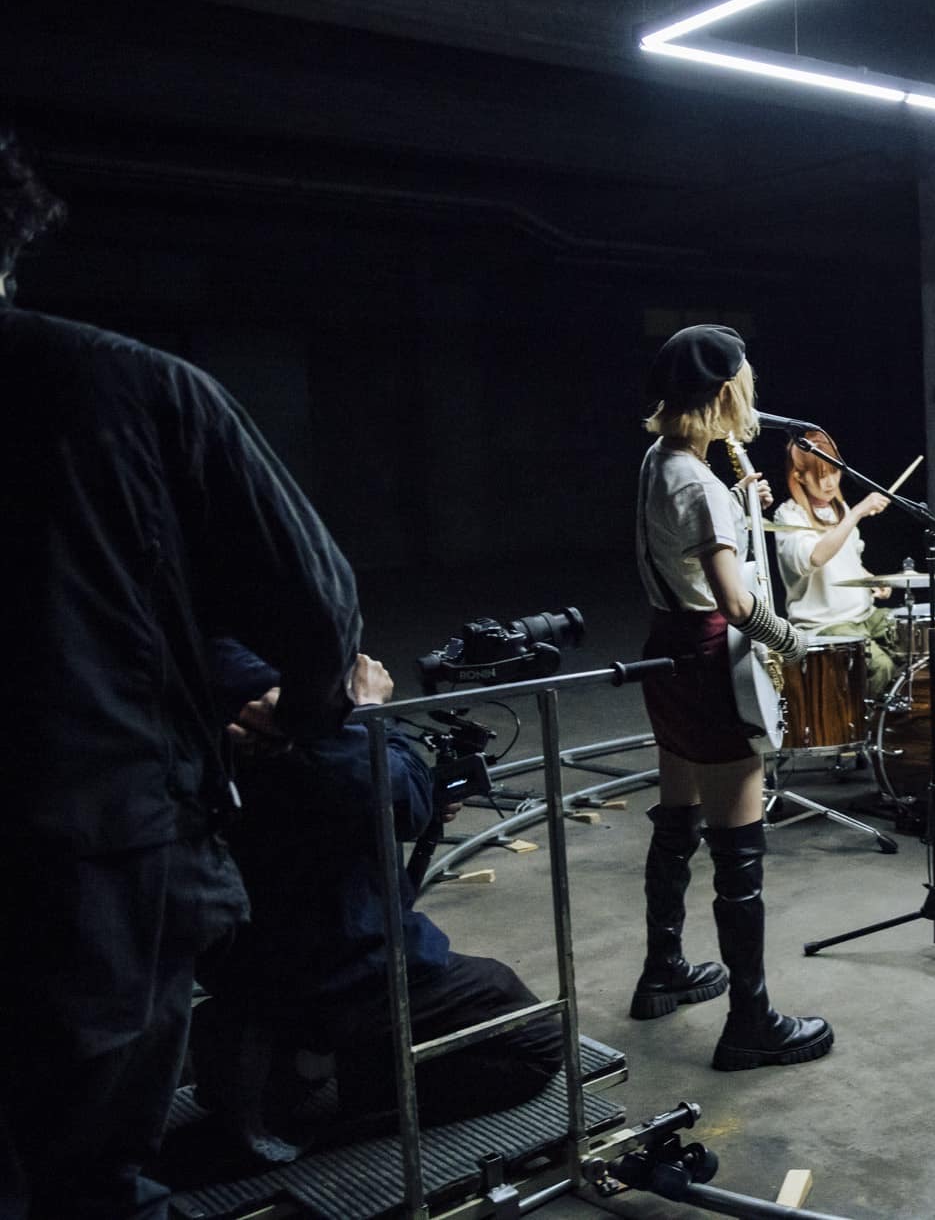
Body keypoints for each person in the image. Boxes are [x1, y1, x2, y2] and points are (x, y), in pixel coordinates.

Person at [0, 129, 362, 1219]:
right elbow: (318, 600)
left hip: (90, 839)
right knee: (87, 1168)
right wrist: (305, 712)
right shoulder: (129, 386)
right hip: (92, 851)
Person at [187, 641, 562, 1158]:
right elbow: (394, 798)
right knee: (534, 1035)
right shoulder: (275, 700)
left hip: (233, 954)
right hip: (336, 967)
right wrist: (367, 713)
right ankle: (316, 1079)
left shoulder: (186, 683)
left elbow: (333, 801)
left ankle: (277, 1044)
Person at [629, 324, 834, 1071]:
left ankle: (663, 970)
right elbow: (735, 600)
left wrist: (740, 506)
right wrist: (793, 642)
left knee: (677, 813)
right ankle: (750, 1020)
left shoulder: (661, 461)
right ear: (723, 393)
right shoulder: (701, 485)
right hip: (712, 659)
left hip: (667, 649)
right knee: (738, 848)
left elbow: (687, 552)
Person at [770, 428, 903, 695]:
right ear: (799, 476)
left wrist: (871, 581)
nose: (830, 482)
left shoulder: (839, 509)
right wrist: (857, 513)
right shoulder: (789, 516)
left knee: (910, 641)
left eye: (834, 472)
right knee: (880, 667)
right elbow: (816, 557)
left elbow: (848, 562)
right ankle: (868, 721)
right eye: (821, 475)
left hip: (864, 614)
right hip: (825, 625)